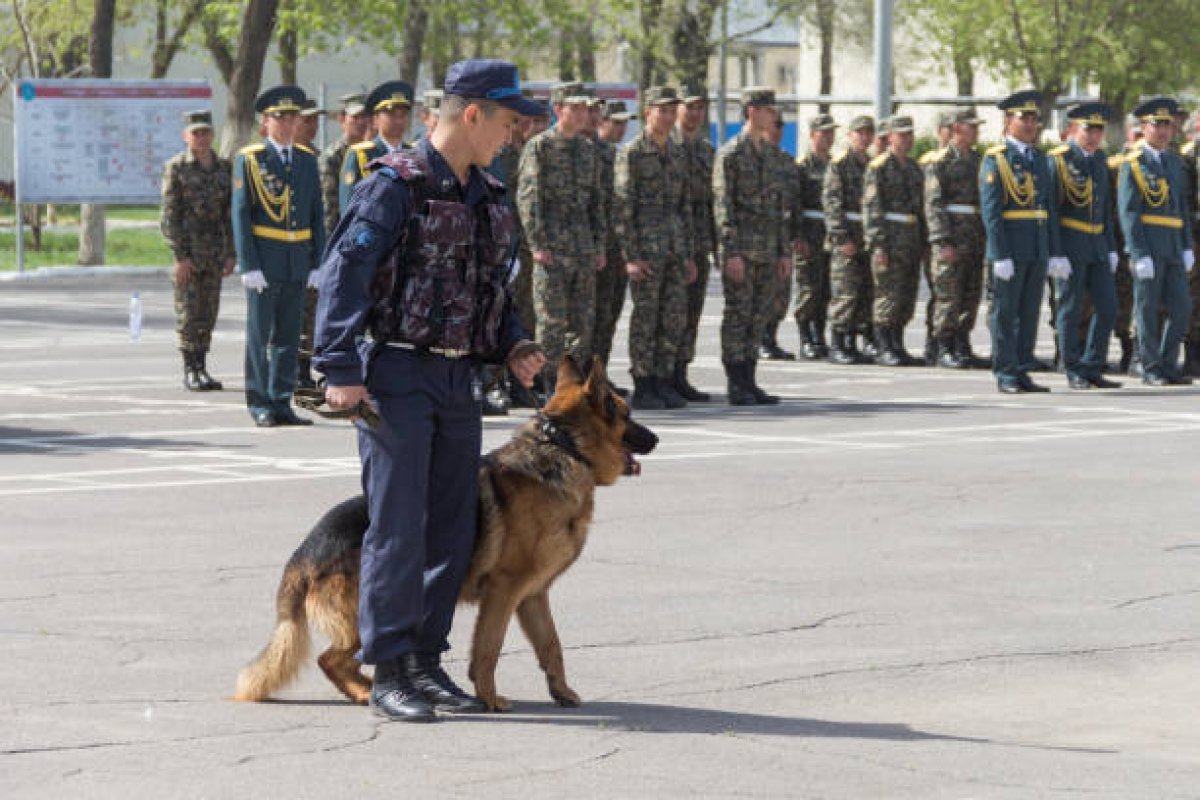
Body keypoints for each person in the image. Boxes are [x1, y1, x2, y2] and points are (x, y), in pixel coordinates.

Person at [313, 59, 546, 722]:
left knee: (452, 525)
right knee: (398, 525)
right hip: (397, 374)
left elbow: (492, 287)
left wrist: (514, 343)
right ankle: (388, 667)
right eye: (506, 120)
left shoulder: (489, 193)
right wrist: (340, 368)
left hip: (456, 378)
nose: (513, 133)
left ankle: (424, 660)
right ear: (471, 114)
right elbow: (344, 275)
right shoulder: (396, 187)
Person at [232, 85, 325, 425]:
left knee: (288, 337)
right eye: (279, 118)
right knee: (260, 337)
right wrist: (249, 264)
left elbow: (316, 214)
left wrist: (317, 262)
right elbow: (241, 214)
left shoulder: (305, 160)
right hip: (266, 261)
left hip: (297, 260)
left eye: (292, 119)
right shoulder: (251, 160)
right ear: (265, 123)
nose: (286, 125)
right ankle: (259, 402)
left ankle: (282, 401)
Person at [517, 81, 606, 392]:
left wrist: (599, 245)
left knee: (583, 322)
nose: (583, 114)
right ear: (558, 110)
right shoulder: (539, 147)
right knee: (551, 323)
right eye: (576, 108)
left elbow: (597, 201)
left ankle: (571, 383)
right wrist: (538, 244)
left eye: (586, 108)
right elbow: (530, 199)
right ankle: (546, 383)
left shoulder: (587, 150)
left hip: (581, 247)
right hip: (552, 249)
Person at [615, 86, 696, 409]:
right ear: (648, 112)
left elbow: (684, 205)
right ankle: (644, 381)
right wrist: (630, 256)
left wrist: (689, 253)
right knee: (646, 317)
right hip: (646, 250)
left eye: (671, 110)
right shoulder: (633, 152)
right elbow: (622, 207)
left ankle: (663, 379)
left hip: (674, 248)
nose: (667, 116)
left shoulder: (676, 152)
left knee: (673, 316)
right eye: (661, 110)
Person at [713, 86, 790, 405]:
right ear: (751, 112)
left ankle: (750, 378)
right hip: (742, 249)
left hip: (768, 249)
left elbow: (780, 209)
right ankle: (736, 381)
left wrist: (784, 251)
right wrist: (730, 252)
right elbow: (722, 207)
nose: (773, 115)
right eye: (767, 109)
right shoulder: (731, 154)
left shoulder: (772, 156)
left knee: (759, 315)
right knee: (738, 315)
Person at [980, 89, 1058, 394]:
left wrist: (1051, 251)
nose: (1030, 124)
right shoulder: (996, 159)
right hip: (1010, 249)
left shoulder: (1039, 159)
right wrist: (999, 254)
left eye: (1034, 119)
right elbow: (992, 211)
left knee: (1028, 313)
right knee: (1004, 313)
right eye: (1023, 118)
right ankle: (1006, 372)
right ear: (1008, 121)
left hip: (1035, 248)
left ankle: (1023, 367)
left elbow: (1046, 208)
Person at [1118, 97, 1194, 385]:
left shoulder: (1174, 162)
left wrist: (1186, 245)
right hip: (1149, 246)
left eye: (1167, 125)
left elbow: (1181, 208)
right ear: (1143, 128)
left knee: (1182, 307)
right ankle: (1150, 366)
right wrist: (1138, 252)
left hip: (1173, 245)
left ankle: (1168, 362)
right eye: (1157, 124)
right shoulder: (1134, 163)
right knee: (1147, 309)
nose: (1163, 131)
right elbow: (1129, 212)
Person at [1047, 103, 1122, 390]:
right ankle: (1071, 366)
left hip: (1097, 245)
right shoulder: (1059, 161)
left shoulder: (1100, 160)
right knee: (1070, 308)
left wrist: (1111, 247)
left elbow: (1105, 210)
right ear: (1073, 130)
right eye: (1088, 129)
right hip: (1070, 243)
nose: (1093, 135)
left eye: (1098, 130)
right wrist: (1055, 252)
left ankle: (1092, 364)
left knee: (1109, 308)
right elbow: (1052, 211)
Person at [160, 110, 234, 391]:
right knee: (189, 312)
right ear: (186, 136)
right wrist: (180, 257)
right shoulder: (176, 168)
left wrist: (231, 253)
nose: (201, 138)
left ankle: (203, 366)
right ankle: (190, 368)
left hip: (214, 252)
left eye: (205, 132)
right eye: (196, 133)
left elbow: (229, 215)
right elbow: (169, 215)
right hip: (189, 252)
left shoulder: (223, 168)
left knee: (209, 311)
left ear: (212, 135)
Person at [923, 108, 986, 368]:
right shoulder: (940, 162)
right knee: (947, 293)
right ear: (957, 128)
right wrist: (942, 241)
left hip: (973, 235)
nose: (976, 131)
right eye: (971, 126)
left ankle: (962, 343)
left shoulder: (978, 160)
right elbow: (933, 204)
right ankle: (943, 346)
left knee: (970, 293)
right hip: (951, 237)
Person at [863, 115, 928, 366]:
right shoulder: (878, 167)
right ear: (889, 137)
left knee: (906, 294)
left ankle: (898, 344)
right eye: (901, 135)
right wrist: (878, 245)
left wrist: (924, 242)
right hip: (889, 238)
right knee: (887, 294)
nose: (907, 139)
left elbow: (920, 209)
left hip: (910, 239)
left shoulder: (913, 168)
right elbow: (872, 208)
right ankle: (883, 345)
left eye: (909, 134)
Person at [671, 86, 717, 400]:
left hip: (698, 240)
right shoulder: (666, 147)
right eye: (690, 107)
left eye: (700, 108)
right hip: (672, 241)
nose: (695, 114)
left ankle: (680, 372)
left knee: (692, 311)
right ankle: (662, 374)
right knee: (670, 312)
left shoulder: (704, 149)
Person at [824, 114, 875, 364]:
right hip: (847, 234)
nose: (864, 138)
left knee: (864, 291)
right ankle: (838, 343)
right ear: (850, 135)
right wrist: (841, 236)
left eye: (868, 133)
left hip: (866, 235)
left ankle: (853, 341)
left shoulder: (872, 163)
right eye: (860, 133)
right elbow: (832, 203)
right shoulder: (840, 164)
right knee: (845, 291)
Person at [791, 114, 836, 360]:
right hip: (809, 232)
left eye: (831, 133)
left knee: (826, 289)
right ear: (812, 135)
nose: (828, 137)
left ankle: (819, 335)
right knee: (808, 288)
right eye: (823, 133)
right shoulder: (802, 166)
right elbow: (794, 203)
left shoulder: (835, 164)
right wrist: (797, 236)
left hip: (829, 233)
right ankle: (805, 337)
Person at [594, 99, 632, 376]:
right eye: (616, 122)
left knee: (610, 315)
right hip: (598, 248)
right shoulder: (593, 154)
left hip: (618, 247)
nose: (621, 128)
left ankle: (600, 374)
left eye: (624, 123)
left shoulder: (618, 155)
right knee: (592, 317)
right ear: (602, 122)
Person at [340, 81, 414, 214]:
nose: (398, 120)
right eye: (391, 115)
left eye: (402, 114)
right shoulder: (361, 154)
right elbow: (348, 206)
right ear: (375, 119)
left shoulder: (414, 154)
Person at [759, 117, 799, 362]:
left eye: (781, 127)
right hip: (760, 237)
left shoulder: (786, 161)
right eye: (774, 125)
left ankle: (771, 337)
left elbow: (795, 202)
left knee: (781, 292)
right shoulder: (755, 158)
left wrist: (796, 234)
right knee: (762, 292)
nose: (778, 131)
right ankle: (760, 339)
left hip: (782, 236)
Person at [320, 93, 370, 238]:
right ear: (342, 119)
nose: (361, 122)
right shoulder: (333, 156)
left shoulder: (371, 152)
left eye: (364, 117)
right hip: (341, 232)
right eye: (355, 117)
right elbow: (329, 204)